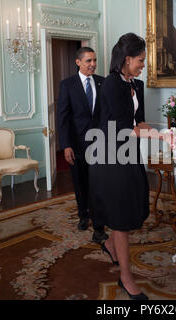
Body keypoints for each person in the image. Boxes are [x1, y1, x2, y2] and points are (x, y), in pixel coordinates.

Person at [88, 33, 160, 300]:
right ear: (127, 59)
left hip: (128, 153)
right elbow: (120, 129)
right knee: (119, 218)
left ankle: (108, 243)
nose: (143, 64)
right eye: (140, 60)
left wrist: (163, 132)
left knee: (132, 207)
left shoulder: (137, 85)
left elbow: (137, 123)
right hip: (108, 156)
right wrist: (155, 136)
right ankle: (126, 279)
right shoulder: (110, 85)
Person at [57, 47, 108, 243]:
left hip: (101, 144)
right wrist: (66, 145)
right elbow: (62, 118)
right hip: (77, 145)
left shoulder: (103, 82)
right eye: (88, 61)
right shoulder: (67, 85)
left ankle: (99, 222)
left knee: (99, 184)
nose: (93, 64)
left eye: (94, 60)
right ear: (78, 62)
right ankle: (83, 215)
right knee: (80, 183)